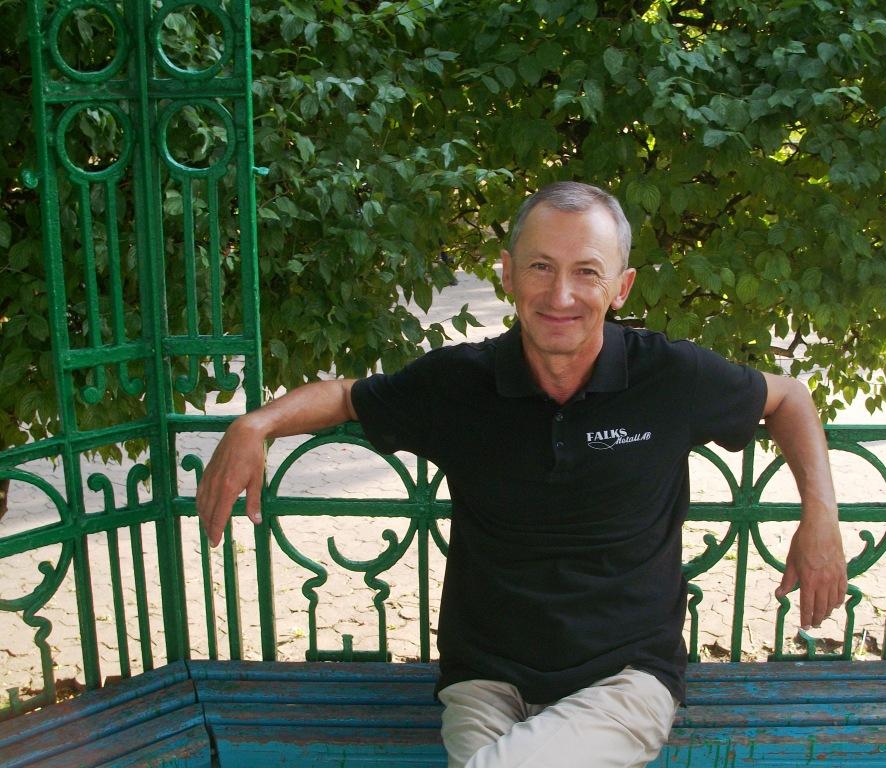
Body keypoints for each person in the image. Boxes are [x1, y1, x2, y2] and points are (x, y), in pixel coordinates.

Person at [197, 181, 847, 768]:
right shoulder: (460, 384)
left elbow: (788, 397)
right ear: (507, 274)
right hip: (486, 682)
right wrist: (255, 425)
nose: (561, 295)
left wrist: (820, 519)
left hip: (625, 678)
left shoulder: (669, 377)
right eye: (540, 267)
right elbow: (347, 396)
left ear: (621, 287)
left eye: (586, 272)